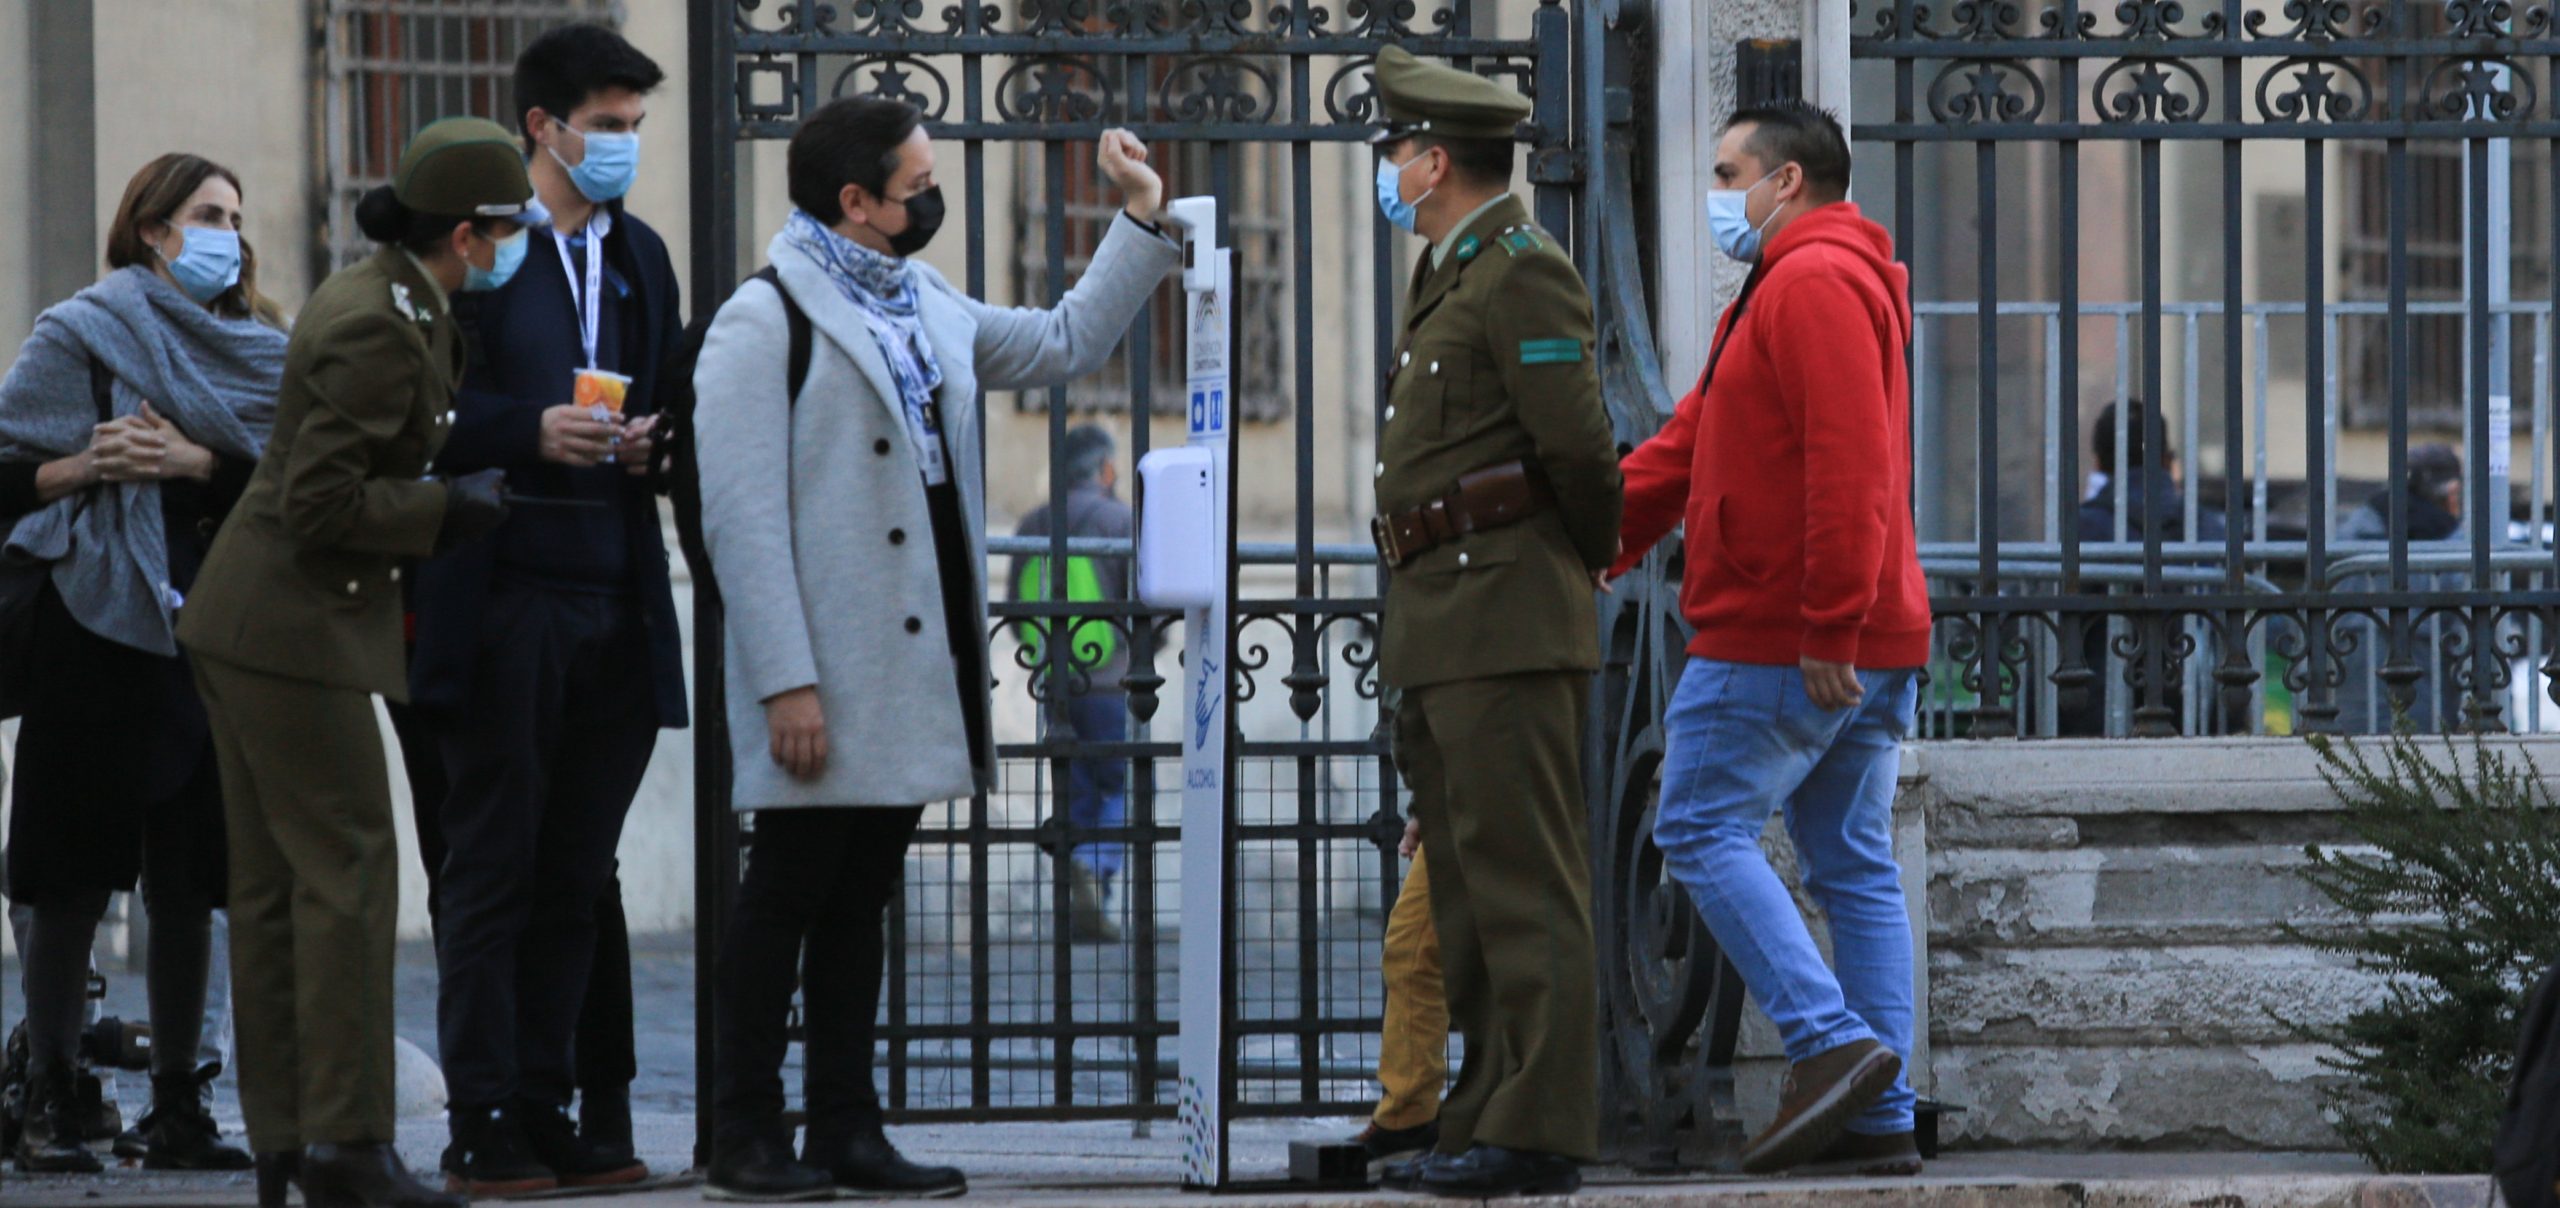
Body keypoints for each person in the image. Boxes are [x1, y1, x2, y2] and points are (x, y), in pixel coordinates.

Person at [692, 97, 1179, 1201]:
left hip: (916, 669)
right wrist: (785, 680)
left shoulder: (925, 300)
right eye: (916, 186)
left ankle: (845, 1127)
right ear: (854, 201)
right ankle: (744, 1130)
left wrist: (1138, 219)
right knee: (784, 897)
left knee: (859, 899)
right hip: (822, 674)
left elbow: (1060, 341)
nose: (932, 199)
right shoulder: (764, 319)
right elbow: (742, 521)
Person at [176, 116, 529, 1208]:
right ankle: (348, 1144)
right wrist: (445, 509)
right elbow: (320, 501)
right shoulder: (379, 320)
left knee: (278, 887)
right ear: (465, 234)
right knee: (350, 874)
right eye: (507, 230)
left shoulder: (389, 297)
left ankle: (289, 1138)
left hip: (257, 623)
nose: (512, 249)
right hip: (292, 626)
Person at [1607, 100, 1931, 1177]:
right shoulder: (1788, 285)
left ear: (1785, 180)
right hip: (1847, 633)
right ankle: (1877, 1117)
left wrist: (1828, 621)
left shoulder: (1812, 282)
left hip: (1788, 634)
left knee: (1696, 824)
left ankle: (1830, 1045)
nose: (1715, 194)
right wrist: (1601, 537)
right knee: (1851, 862)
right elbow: (1692, 440)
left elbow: (1851, 467)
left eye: (1726, 172)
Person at [403, 23, 682, 1195]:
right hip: (501, 591)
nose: (623, 146)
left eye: (634, 126)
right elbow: (415, 413)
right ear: (543, 127)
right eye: (606, 126)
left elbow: (668, 398)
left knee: (576, 871)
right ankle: (478, 1116)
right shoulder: (481, 249)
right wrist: (531, 429)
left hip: (614, 591)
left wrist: (649, 445)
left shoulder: (640, 255)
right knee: (492, 866)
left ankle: (545, 1098)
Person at [1364, 45, 1624, 1200]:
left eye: (1397, 151)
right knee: (1470, 894)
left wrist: (1580, 556)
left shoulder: (1521, 270)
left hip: (1507, 613)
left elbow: (1580, 449)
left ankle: (1541, 1128)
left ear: (1433, 160)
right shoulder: (1449, 271)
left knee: (1524, 885)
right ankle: (1481, 1110)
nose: (1390, 170)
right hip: (1446, 618)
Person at [0, 153, 286, 1175]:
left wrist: (196, 461)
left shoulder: (265, 350)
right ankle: (53, 1092)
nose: (226, 235)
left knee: (193, 877)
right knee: (71, 872)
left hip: (216, 628)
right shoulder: (81, 333)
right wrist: (85, 463)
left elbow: (299, 479)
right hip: (97, 624)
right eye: (206, 215)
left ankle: (179, 1103)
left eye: (235, 218)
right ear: (152, 229)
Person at [1010, 422, 1132, 943]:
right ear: (1105, 469)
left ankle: (1082, 898)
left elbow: (1013, 607)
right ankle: (1093, 867)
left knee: (1076, 788)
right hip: (1110, 682)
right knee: (1121, 784)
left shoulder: (1034, 521)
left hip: (1055, 680)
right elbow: (1147, 600)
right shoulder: (1118, 519)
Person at [2060, 399, 2231, 736]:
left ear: (2098, 462)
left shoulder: (2083, 527)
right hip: (2196, 712)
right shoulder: (2207, 527)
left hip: (2100, 718)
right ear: (2168, 460)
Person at [2335, 442, 2467, 732]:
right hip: (2426, 724)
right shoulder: (2457, 551)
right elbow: (2472, 639)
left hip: (2346, 721)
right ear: (2451, 491)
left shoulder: (2346, 540)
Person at [1352, 815, 1446, 1179]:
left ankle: (1409, 1117)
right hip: (1464, 802)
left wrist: (1427, 808)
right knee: (1414, 951)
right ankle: (1410, 1116)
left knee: (1413, 952)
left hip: (1474, 802)